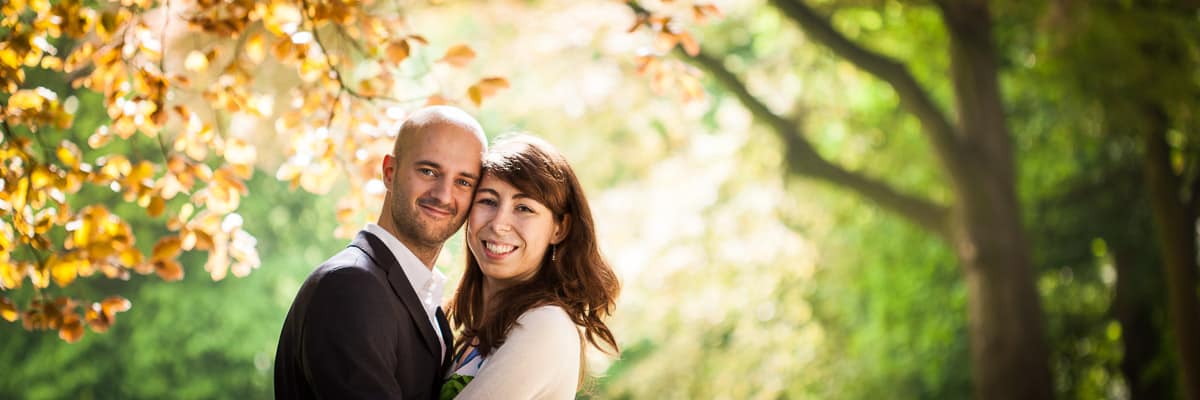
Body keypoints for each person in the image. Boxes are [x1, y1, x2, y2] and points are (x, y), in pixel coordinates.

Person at [274, 106, 488, 400]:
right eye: (428, 171)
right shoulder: (351, 286)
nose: (443, 195)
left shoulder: (429, 306)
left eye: (463, 182)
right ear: (389, 172)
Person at [443, 134, 620, 399]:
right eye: (488, 201)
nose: (499, 224)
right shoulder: (477, 331)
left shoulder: (545, 325)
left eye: (524, 208)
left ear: (560, 229)